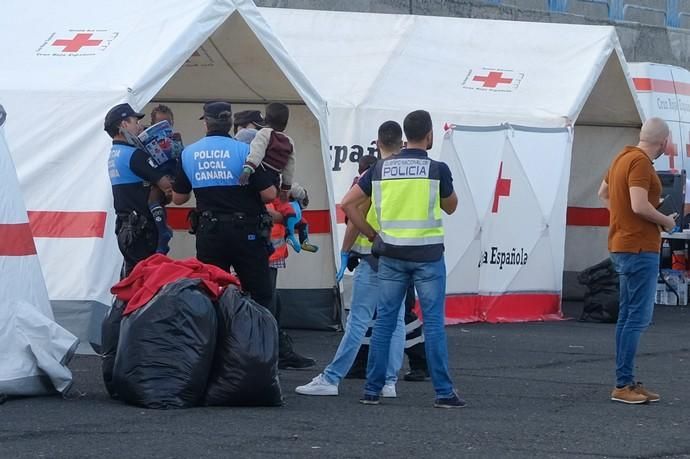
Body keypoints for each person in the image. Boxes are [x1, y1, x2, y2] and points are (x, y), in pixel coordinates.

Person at [342, 110, 464, 408]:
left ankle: (372, 390)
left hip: (391, 255)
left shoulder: (380, 169)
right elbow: (451, 207)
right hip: (428, 256)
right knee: (433, 324)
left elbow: (348, 204)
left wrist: (371, 234)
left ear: (405, 136)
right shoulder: (438, 169)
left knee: (384, 322)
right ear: (430, 135)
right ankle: (444, 393)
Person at [295, 121, 407, 397]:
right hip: (404, 257)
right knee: (396, 321)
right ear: (401, 143)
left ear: (378, 144)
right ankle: (389, 382)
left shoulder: (374, 174)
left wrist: (348, 250)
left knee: (358, 319)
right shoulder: (409, 176)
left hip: (373, 256)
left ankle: (332, 378)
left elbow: (352, 210)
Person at [597, 117, 676, 404]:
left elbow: (603, 193)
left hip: (622, 244)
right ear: (664, 142)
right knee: (636, 319)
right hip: (640, 248)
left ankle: (626, 380)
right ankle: (623, 384)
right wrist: (665, 220)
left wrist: (623, 217)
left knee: (627, 317)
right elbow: (639, 205)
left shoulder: (621, 156)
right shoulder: (641, 163)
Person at [172, 101, 276, 310]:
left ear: (206, 124)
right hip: (246, 234)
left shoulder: (189, 153)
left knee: (212, 292)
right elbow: (269, 194)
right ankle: (258, 339)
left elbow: (179, 198)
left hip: (209, 233)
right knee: (258, 294)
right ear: (230, 123)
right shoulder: (246, 151)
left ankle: (217, 340)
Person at [234, 122, 316, 370]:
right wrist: (289, 212)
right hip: (259, 248)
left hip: (264, 249)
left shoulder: (255, 172)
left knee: (267, 300)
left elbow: (287, 189)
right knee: (264, 301)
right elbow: (273, 202)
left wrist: (298, 195)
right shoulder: (256, 177)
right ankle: (269, 352)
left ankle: (269, 350)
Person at [105, 103, 173, 276]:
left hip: (124, 227)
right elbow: (167, 186)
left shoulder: (115, 153)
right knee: (147, 282)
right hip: (142, 231)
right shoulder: (134, 155)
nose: (140, 126)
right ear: (123, 125)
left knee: (131, 278)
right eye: (135, 121)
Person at [146, 104, 183, 255]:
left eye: (167, 123)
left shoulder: (175, 138)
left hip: (170, 176)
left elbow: (181, 158)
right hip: (154, 176)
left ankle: (163, 234)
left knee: (153, 199)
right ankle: (162, 231)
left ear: (172, 123)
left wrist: (178, 143)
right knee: (154, 202)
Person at [239, 103, 295, 199]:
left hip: (262, 171)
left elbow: (257, 151)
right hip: (275, 176)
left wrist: (248, 168)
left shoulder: (264, 133)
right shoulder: (289, 141)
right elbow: (290, 166)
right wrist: (286, 187)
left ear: (265, 120)